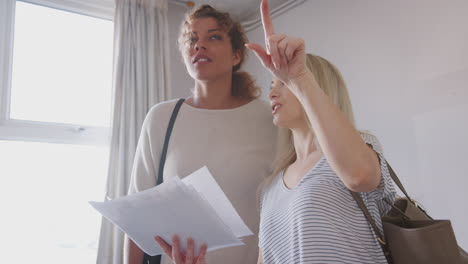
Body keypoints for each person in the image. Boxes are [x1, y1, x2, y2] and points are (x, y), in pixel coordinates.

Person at [123, 4, 278, 264]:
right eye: (192, 39)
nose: (199, 45)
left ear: (236, 56)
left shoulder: (271, 119)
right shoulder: (161, 117)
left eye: (214, 37)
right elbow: (135, 216)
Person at [246, 0, 396, 263]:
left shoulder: (360, 147)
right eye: (273, 83)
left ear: (318, 86)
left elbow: (360, 176)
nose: (272, 93)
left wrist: (299, 77)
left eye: (282, 82)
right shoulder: (270, 188)